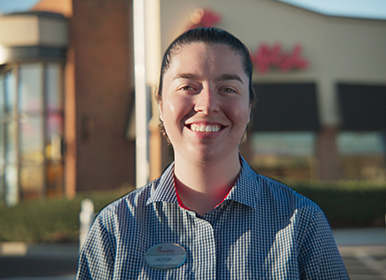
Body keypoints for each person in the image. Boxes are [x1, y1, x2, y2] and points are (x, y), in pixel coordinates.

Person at [76, 27, 348, 279]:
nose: (207, 105)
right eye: (187, 87)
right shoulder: (115, 228)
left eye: (227, 89)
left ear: (250, 106)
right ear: (160, 104)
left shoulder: (301, 221)